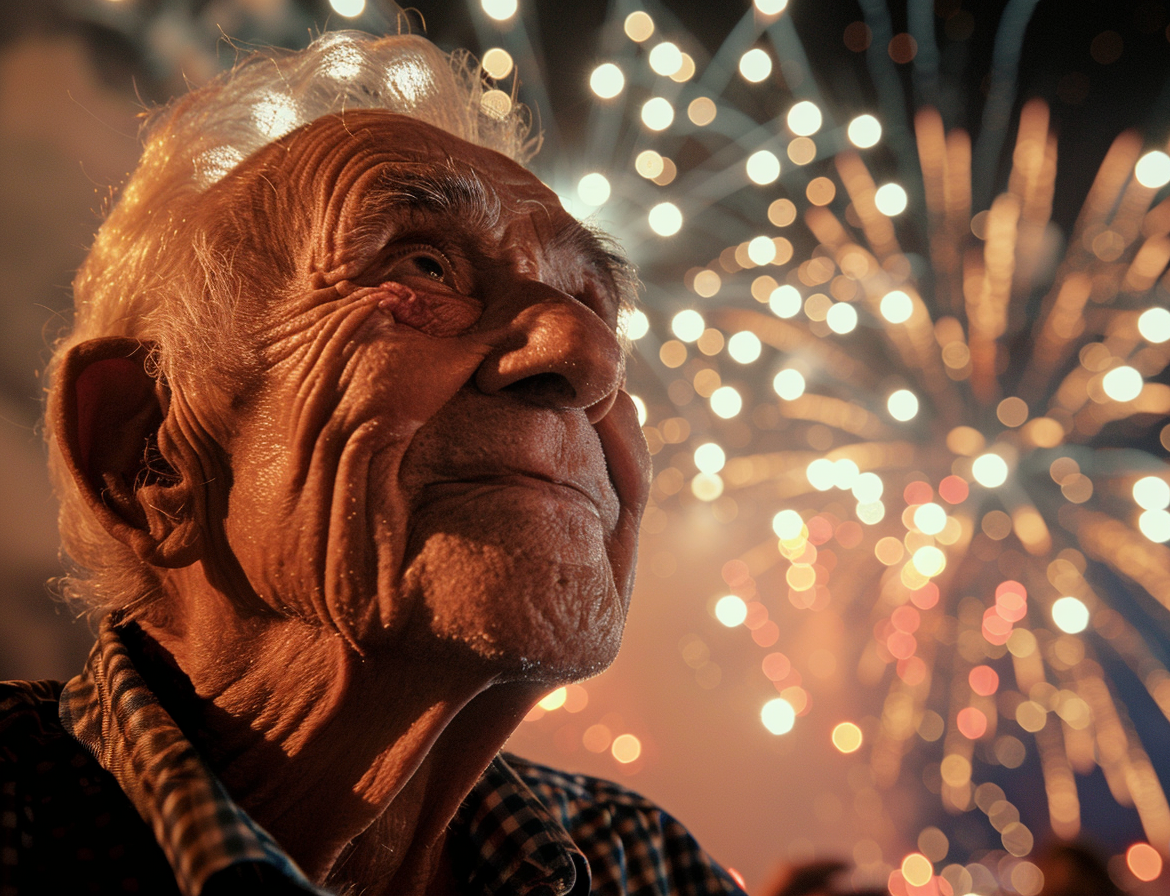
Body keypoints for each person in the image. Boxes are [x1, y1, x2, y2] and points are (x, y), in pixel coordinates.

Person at [0, 31, 744, 896]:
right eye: (423, 265)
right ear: (149, 453)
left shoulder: (647, 866)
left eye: (593, 304)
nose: (588, 354)